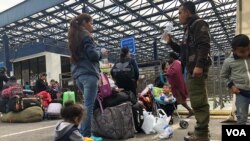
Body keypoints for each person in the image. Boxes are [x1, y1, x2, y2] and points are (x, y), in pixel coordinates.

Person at [163, 1, 211, 141]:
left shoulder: (198, 24)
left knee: (198, 101)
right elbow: (182, 52)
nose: (178, 16)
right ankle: (201, 130)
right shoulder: (188, 28)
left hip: (196, 67)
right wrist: (171, 42)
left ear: (187, 12)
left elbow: (204, 45)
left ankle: (201, 135)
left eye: (180, 12)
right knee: (198, 99)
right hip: (191, 67)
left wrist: (199, 65)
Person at [68, 13, 108, 139]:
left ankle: (82, 132)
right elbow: (93, 55)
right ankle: (86, 136)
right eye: (91, 23)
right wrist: (101, 53)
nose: (93, 26)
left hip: (78, 75)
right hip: (89, 74)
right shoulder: (86, 35)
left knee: (86, 105)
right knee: (88, 107)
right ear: (85, 23)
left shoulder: (75, 36)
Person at [220, 34, 250, 125]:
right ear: (234, 50)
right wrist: (231, 86)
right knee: (241, 117)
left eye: (248, 49)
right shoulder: (229, 61)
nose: (246, 53)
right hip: (241, 93)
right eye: (242, 51)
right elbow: (223, 76)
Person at [166, 52, 194, 118]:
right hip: (176, 85)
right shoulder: (176, 63)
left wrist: (167, 73)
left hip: (177, 86)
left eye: (169, 58)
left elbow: (174, 71)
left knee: (177, 100)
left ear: (172, 58)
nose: (168, 59)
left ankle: (171, 114)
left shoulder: (176, 63)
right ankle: (190, 111)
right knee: (179, 100)